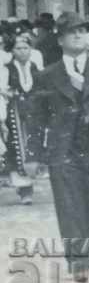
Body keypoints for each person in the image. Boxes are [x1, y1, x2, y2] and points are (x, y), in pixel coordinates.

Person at [25, 11, 89, 281]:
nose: (79, 35)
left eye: (83, 30)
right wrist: (34, 155)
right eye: (72, 32)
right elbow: (36, 119)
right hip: (64, 150)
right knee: (69, 206)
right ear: (60, 40)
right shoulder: (48, 75)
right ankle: (79, 260)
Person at [2, 34, 41, 204]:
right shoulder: (6, 69)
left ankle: (29, 184)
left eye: (26, 48)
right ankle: (24, 190)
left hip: (33, 112)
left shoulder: (35, 67)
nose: (23, 51)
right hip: (14, 112)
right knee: (17, 147)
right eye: (19, 48)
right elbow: (3, 89)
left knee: (32, 145)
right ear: (12, 50)